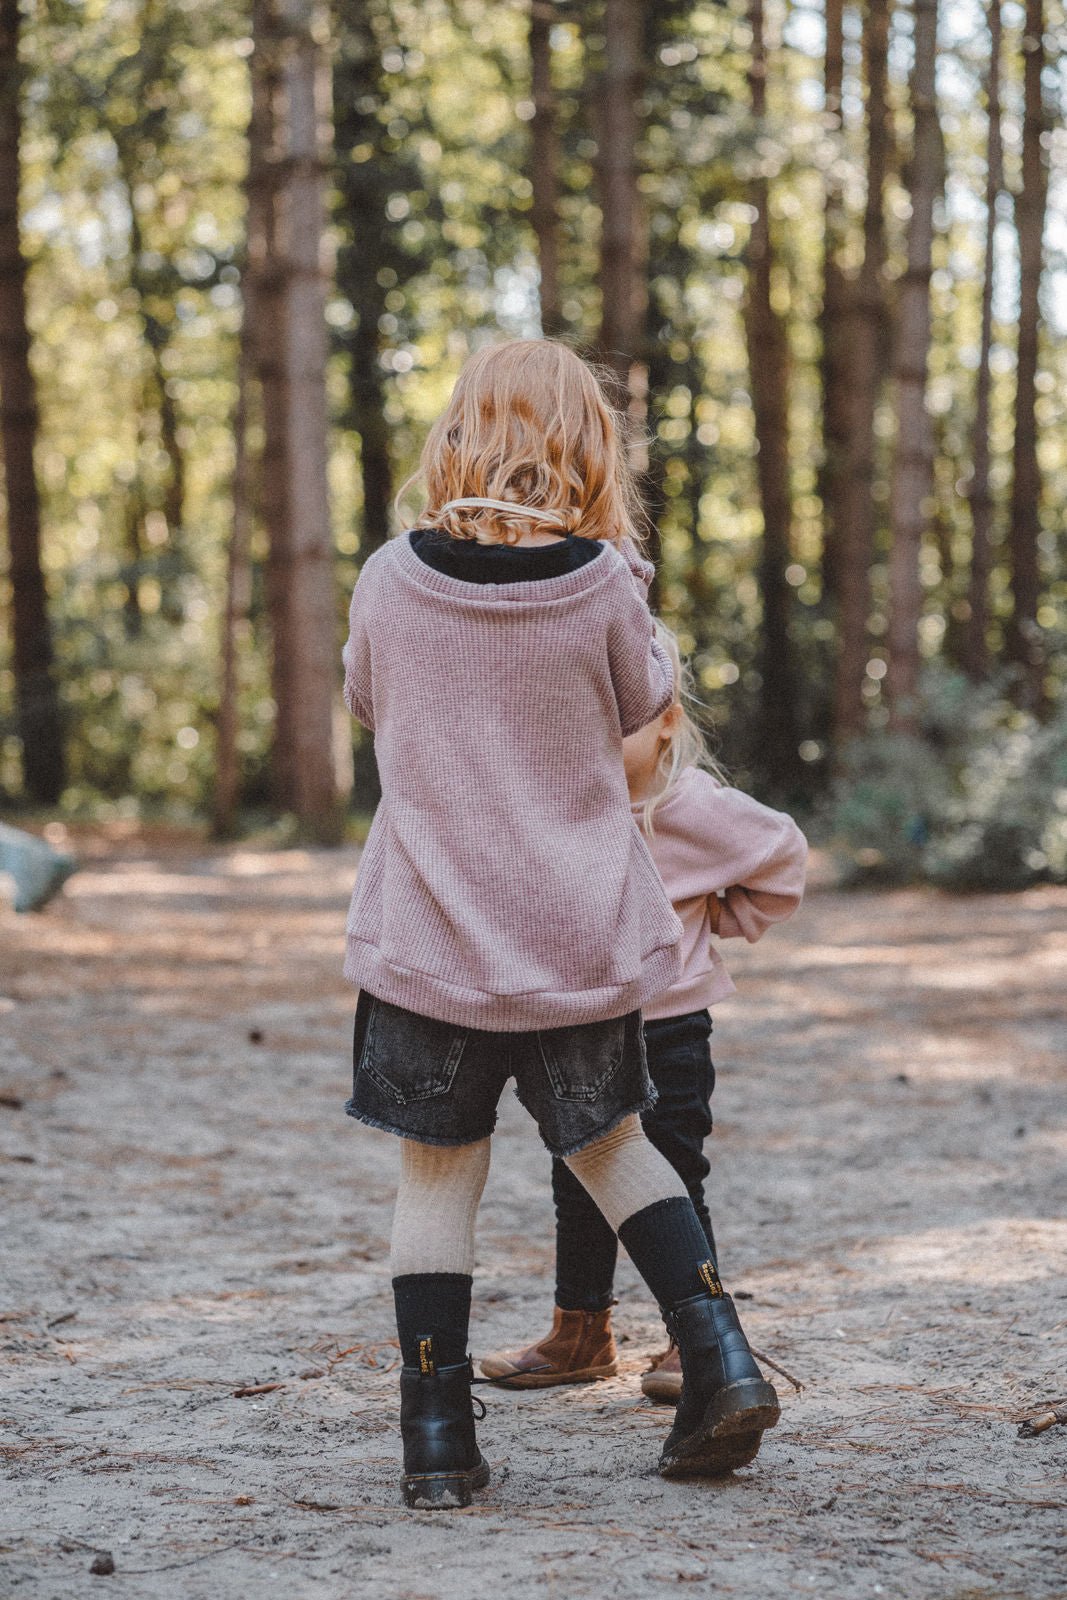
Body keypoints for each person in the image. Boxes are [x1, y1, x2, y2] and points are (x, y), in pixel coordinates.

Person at [341, 339, 779, 1510]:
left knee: (437, 1178)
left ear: (457, 432)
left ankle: (437, 1440)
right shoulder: (599, 581)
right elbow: (647, 707)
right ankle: (720, 1360)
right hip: (574, 933)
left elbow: (366, 698)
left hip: (432, 936)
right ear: (584, 445)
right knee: (612, 1145)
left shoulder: (389, 577)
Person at [480, 622, 807, 1403]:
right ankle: (579, 1331)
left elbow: (782, 853)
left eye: (618, 714)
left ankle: (687, 1337)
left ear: (666, 718)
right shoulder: (558, 805)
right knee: (577, 1176)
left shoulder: (690, 805)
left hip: (668, 1026)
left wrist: (724, 919)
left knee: (671, 1174)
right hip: (576, 1025)